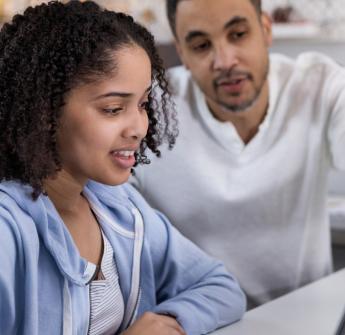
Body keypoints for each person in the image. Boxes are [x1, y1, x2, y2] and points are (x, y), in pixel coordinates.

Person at [0, 1, 246, 334]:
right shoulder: (8, 229)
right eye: (113, 109)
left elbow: (220, 287)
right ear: (45, 111)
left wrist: (169, 323)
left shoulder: (120, 207)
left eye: (142, 104)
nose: (138, 128)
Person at [130, 0, 345, 308]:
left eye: (238, 34)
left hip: (310, 318)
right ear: (183, 53)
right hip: (200, 321)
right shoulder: (147, 112)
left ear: (266, 30)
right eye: (202, 45)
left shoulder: (320, 85)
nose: (225, 60)